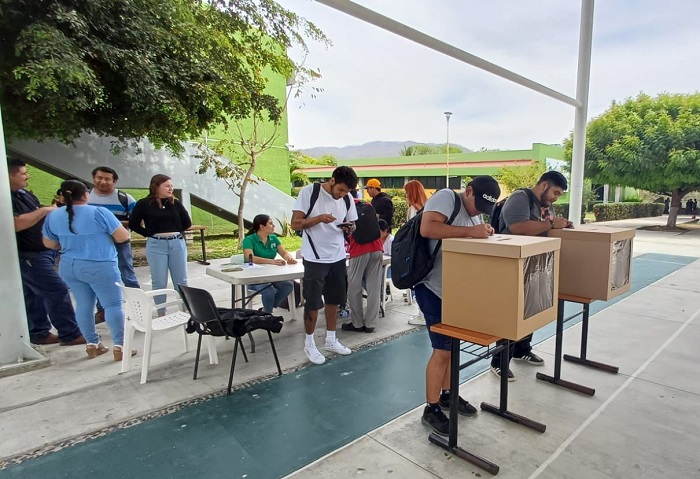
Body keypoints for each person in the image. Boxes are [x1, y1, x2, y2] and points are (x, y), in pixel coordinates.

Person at [415, 175, 501, 436]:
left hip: (455, 291)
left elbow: (472, 235)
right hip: (432, 287)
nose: (479, 214)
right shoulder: (446, 198)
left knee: (452, 347)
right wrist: (471, 232)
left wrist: (483, 232)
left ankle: (448, 395)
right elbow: (427, 229)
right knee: (442, 351)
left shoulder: (476, 214)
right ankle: (431, 409)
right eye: (478, 206)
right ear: (470, 191)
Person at [490, 171, 572, 381]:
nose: (556, 198)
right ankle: (499, 361)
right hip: (512, 264)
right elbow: (518, 228)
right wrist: (552, 224)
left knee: (531, 308)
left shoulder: (545, 205)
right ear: (544, 185)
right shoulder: (521, 198)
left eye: (559, 195)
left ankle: (522, 349)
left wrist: (562, 225)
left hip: (536, 263)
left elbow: (544, 227)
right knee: (511, 313)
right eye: (555, 192)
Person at [42, 179, 133, 359]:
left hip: (70, 265)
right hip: (100, 264)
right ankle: (120, 346)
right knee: (113, 305)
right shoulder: (99, 212)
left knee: (83, 305)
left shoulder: (53, 215)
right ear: (85, 195)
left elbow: (49, 243)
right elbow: (122, 237)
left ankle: (92, 344)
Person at [8, 159, 85, 346]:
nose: (27, 176)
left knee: (34, 294)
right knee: (56, 288)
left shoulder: (24, 193)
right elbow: (16, 224)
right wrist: (43, 211)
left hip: (43, 251)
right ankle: (70, 333)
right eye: (24, 173)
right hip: (28, 255)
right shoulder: (6, 198)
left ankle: (39, 332)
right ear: (10, 175)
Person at [291, 166, 359, 365]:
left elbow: (352, 223)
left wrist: (349, 227)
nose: (343, 195)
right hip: (314, 257)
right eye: (341, 190)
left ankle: (331, 339)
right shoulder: (310, 193)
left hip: (337, 256)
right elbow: (295, 223)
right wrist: (319, 219)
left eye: (347, 192)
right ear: (332, 181)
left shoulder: (346, 199)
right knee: (312, 302)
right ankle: (310, 343)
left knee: (334, 300)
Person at [129, 174, 192, 309]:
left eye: (171, 186)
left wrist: (176, 230)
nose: (170, 189)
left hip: (176, 243)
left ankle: (186, 310)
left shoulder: (175, 203)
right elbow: (133, 224)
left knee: (181, 281)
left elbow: (187, 222)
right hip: (156, 245)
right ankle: (161, 311)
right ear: (156, 187)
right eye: (167, 186)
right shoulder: (144, 204)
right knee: (159, 281)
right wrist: (149, 233)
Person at [88, 166, 140, 324]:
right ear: (93, 178)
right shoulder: (86, 197)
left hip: (120, 243)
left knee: (127, 274)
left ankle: (138, 308)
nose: (102, 181)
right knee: (99, 277)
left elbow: (137, 220)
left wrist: (113, 224)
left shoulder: (125, 198)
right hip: (95, 245)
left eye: (107, 179)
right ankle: (102, 310)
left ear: (114, 181)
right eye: (99, 178)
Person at [342, 198, 384, 334]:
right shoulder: (366, 203)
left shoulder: (343, 206)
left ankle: (357, 323)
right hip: (377, 248)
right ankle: (371, 323)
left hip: (359, 249)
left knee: (354, 287)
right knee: (374, 288)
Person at [242, 214, 297, 313]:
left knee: (288, 286)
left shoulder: (273, 238)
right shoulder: (248, 240)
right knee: (269, 290)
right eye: (270, 223)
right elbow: (250, 258)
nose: (274, 226)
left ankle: (266, 311)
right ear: (262, 227)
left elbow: (283, 252)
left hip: (272, 275)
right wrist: (272, 262)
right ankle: (268, 315)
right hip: (255, 277)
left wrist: (289, 258)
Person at [404, 180, 428, 325]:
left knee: (418, 282)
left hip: (416, 252)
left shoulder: (414, 211)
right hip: (424, 252)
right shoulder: (428, 207)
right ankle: (422, 312)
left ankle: (422, 314)